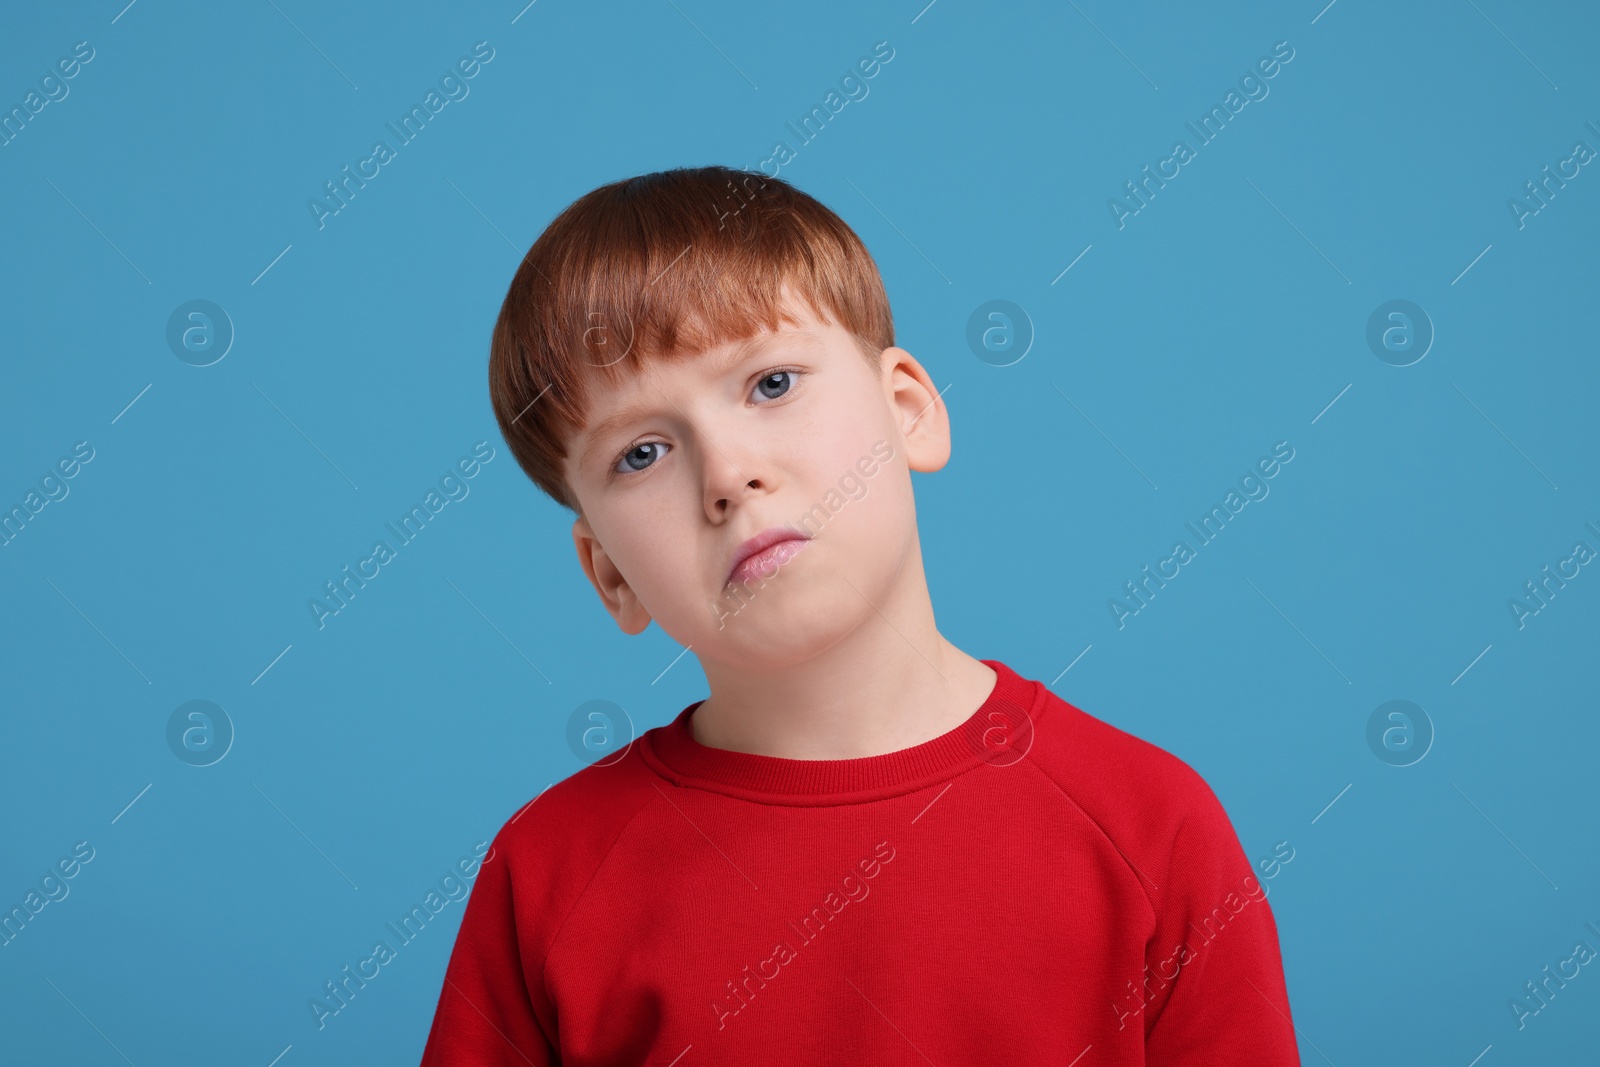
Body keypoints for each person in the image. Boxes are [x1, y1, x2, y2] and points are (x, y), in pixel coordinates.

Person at [419, 166, 1300, 1065]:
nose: (728, 476)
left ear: (908, 411)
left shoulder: (1149, 826)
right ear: (611, 574)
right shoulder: (550, 874)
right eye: (643, 452)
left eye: (770, 384)